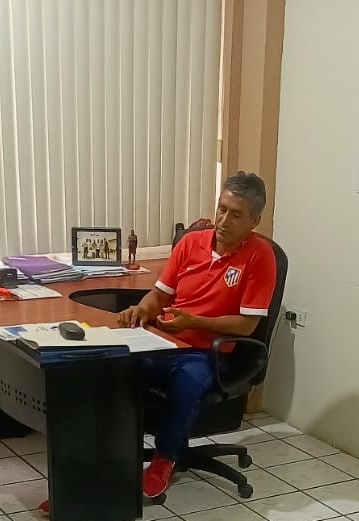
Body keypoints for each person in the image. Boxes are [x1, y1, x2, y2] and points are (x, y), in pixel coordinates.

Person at [117, 171, 279, 499]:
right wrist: (142, 310)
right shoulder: (191, 243)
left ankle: (165, 457)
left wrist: (194, 321)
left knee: (187, 380)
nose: (224, 220)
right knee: (110, 366)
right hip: (166, 341)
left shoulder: (260, 256)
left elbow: (246, 325)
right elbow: (159, 295)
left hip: (211, 352)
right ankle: (108, 454)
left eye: (236, 215)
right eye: (222, 209)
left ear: (254, 221)